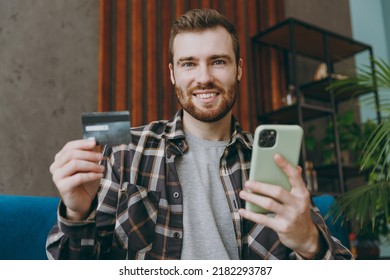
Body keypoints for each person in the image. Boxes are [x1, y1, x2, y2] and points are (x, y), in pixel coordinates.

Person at [47, 8, 352, 260]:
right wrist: (77, 213)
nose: (204, 78)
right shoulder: (126, 151)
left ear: (239, 69)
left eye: (218, 62)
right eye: (189, 64)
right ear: (172, 74)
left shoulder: (273, 162)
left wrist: (310, 242)